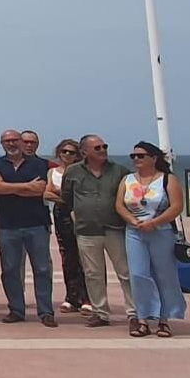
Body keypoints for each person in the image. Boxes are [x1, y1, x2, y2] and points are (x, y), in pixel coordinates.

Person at [61, 134, 134, 329]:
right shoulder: (73, 171)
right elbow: (67, 198)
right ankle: (100, 313)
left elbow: (131, 194)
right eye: (98, 148)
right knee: (93, 274)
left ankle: (134, 313)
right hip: (87, 230)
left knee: (125, 272)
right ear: (84, 152)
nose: (103, 150)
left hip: (115, 229)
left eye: (104, 146)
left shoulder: (119, 171)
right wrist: (76, 216)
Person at [0, 129, 56, 327]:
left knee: (42, 269)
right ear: (2, 144)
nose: (11, 143)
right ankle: (16, 309)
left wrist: (8, 187)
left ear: (21, 141)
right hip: (7, 226)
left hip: (37, 224)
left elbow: (39, 190)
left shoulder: (40, 164)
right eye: (6, 140)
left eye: (14, 140)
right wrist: (26, 186)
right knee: (10, 270)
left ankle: (46, 311)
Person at [119, 142, 187, 338]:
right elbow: (119, 205)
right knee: (138, 275)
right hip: (134, 232)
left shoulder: (167, 179)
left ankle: (164, 319)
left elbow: (176, 206)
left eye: (141, 156)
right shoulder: (127, 180)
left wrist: (155, 223)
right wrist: (133, 221)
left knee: (164, 275)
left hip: (161, 232)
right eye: (133, 156)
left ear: (153, 158)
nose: (136, 159)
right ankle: (142, 319)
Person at [44, 138, 91, 314]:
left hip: (81, 214)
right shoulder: (53, 172)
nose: (67, 155)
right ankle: (71, 297)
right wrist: (64, 196)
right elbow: (47, 193)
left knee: (85, 255)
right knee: (68, 256)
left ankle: (87, 298)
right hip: (61, 214)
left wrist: (60, 194)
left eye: (71, 152)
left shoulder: (82, 171)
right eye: (64, 151)